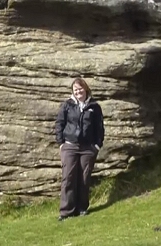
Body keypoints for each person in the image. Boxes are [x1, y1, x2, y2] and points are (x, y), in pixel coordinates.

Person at [54, 78, 105, 221]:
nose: (78, 91)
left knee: (84, 178)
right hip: (70, 146)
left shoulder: (94, 106)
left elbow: (99, 128)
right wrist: (61, 143)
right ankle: (66, 212)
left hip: (88, 148)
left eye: (80, 88)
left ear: (86, 89)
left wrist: (96, 145)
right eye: (75, 89)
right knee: (68, 178)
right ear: (73, 92)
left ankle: (82, 208)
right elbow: (60, 123)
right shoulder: (67, 105)